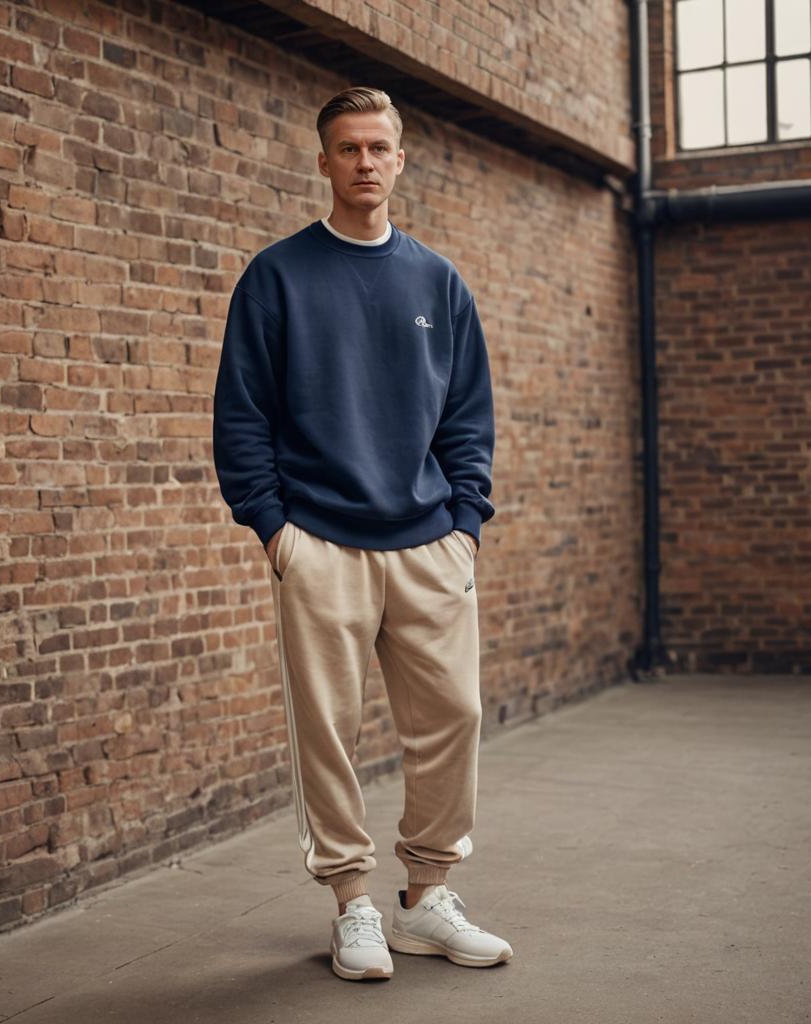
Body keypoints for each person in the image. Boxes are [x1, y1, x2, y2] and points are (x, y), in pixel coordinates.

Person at [212, 85, 513, 981]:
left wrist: (465, 524)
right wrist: (275, 531)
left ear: (400, 159)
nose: (365, 163)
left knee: (454, 716)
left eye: (379, 148)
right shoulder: (277, 276)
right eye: (348, 149)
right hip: (320, 543)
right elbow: (242, 417)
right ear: (324, 162)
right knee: (328, 733)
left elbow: (468, 415)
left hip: (429, 541)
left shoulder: (437, 280)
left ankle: (427, 898)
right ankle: (353, 905)